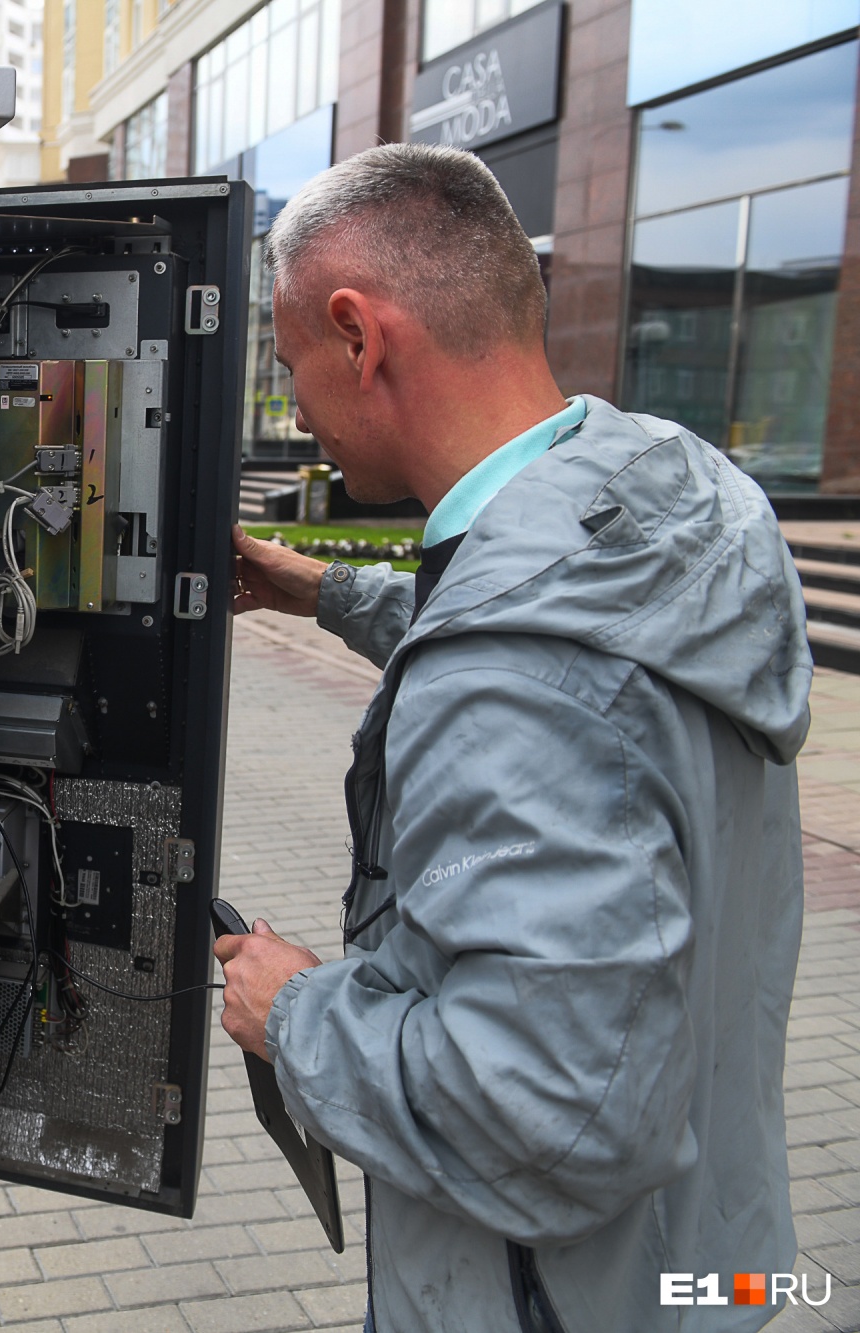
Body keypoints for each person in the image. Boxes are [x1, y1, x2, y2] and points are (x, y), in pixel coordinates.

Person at [219, 142, 813, 1332]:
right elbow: (552, 649)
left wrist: (294, 1015)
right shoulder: (671, 494)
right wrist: (322, 590)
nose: (296, 409)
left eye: (289, 367)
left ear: (357, 334)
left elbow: (548, 1117)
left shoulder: (513, 674)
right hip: (707, 1264)